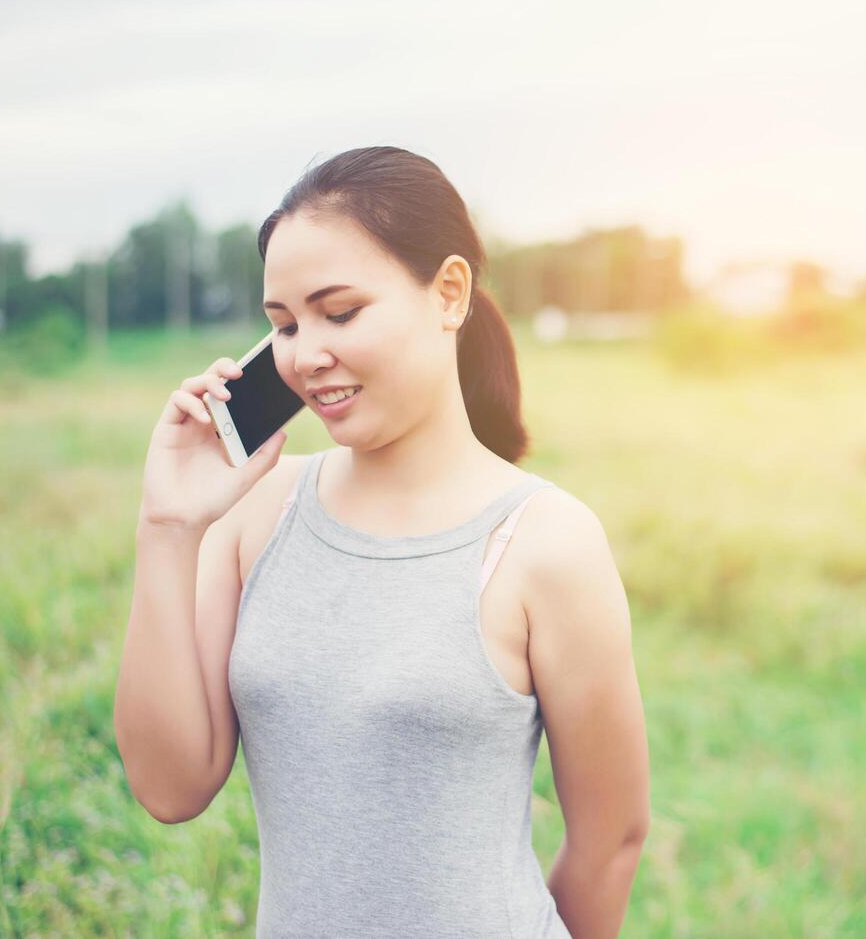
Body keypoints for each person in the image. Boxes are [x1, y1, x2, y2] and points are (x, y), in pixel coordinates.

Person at [114, 146, 650, 938]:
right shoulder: (255, 512)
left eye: (341, 312)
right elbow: (170, 788)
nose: (305, 356)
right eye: (285, 325)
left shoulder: (545, 541)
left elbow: (611, 842)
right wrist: (168, 529)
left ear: (449, 293)